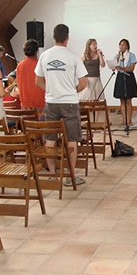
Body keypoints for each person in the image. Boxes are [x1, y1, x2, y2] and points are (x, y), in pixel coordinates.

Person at [35, 24, 88, 185]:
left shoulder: (44, 56)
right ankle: (71, 176)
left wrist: (51, 90)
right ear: (67, 37)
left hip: (51, 102)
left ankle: (52, 174)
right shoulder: (73, 56)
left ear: (53, 37)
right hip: (69, 103)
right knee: (72, 139)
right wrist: (71, 90)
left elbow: (38, 81)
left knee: (50, 138)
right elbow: (83, 83)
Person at [16, 38, 45, 118]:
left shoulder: (20, 65)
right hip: (39, 99)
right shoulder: (40, 64)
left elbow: (18, 83)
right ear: (36, 51)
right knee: (40, 123)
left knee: (27, 124)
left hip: (25, 100)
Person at [113, 39, 137, 127]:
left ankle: (129, 120)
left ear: (127, 46)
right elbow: (113, 67)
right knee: (122, 100)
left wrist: (122, 68)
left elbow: (131, 68)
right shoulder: (118, 56)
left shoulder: (132, 56)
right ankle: (124, 120)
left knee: (128, 100)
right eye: (120, 45)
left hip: (128, 77)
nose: (121, 47)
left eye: (123, 45)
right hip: (120, 77)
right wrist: (116, 60)